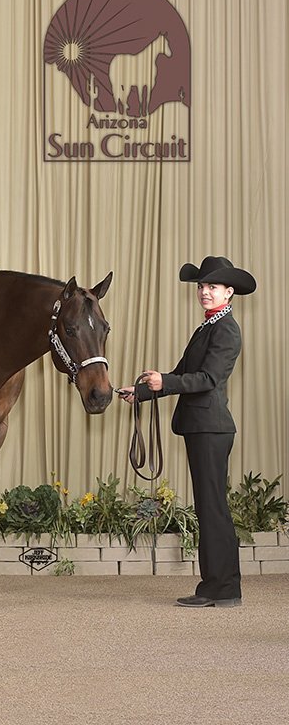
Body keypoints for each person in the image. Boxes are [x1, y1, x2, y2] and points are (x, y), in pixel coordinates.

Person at [118, 256, 256, 608]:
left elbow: (208, 380)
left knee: (213, 509)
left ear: (229, 292)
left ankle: (223, 587)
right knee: (209, 507)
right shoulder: (207, 328)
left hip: (211, 427)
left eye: (212, 287)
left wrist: (166, 381)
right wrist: (144, 391)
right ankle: (216, 585)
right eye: (201, 286)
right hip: (202, 426)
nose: (205, 292)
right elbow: (182, 373)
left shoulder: (226, 329)